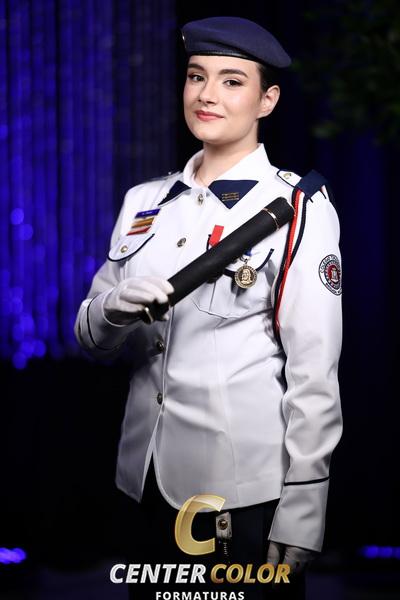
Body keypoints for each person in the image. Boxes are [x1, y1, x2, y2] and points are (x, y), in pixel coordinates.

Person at [74, 16, 343, 599]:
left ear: (267, 100)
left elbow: (314, 371)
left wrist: (304, 508)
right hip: (143, 482)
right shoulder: (144, 202)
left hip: (238, 493)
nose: (207, 94)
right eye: (197, 76)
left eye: (231, 81)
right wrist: (113, 307)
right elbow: (92, 340)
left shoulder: (296, 205)